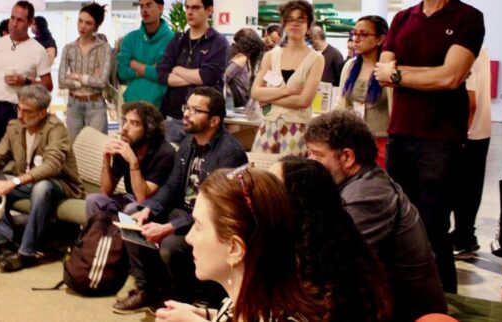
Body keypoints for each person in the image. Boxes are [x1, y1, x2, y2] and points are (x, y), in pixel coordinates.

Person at [373, 0, 485, 293]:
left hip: (441, 140)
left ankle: (444, 305)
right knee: (397, 222)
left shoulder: (468, 18)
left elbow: (450, 77)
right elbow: (382, 71)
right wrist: (414, 75)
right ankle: (399, 299)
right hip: (400, 134)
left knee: (434, 228)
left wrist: (400, 75)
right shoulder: (403, 18)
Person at [113, 86, 247, 313]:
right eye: (187, 107)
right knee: (133, 215)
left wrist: (168, 226)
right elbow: (172, 187)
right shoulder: (188, 144)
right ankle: (148, 289)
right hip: (184, 214)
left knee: (170, 245)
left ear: (214, 120)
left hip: (211, 222)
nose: (186, 114)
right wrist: (148, 208)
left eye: (195, 110)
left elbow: (217, 208)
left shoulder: (229, 153)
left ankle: (183, 300)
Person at [304, 110, 447, 321]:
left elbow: (328, 264)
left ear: (347, 157)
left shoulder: (368, 196)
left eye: (317, 155)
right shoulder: (363, 183)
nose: (309, 161)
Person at [155, 166, 323, 322]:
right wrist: (203, 315)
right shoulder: (252, 297)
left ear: (234, 249)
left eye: (198, 227)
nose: (188, 238)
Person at [0, 85, 84, 272]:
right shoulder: (15, 127)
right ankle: (5, 244)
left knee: (42, 187)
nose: (20, 115)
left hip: (60, 184)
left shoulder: (56, 129)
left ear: (43, 113)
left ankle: (26, 253)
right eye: (19, 109)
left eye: (27, 111)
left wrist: (13, 182)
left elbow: (51, 166)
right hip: (28, 183)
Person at [274, 156, 393, 322]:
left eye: (271, 186)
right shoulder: (334, 244)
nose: (260, 191)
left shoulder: (320, 275)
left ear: (295, 204)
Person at [0, 0, 52, 172]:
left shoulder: (37, 50)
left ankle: (8, 195)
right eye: (12, 18)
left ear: (30, 23)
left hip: (20, 111)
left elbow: (48, 85)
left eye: (20, 20)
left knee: (14, 162)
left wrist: (25, 81)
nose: (14, 24)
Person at [250, 0, 325, 156]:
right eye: (290, 19)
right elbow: (255, 93)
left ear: (309, 25)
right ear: (283, 23)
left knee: (290, 177)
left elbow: (303, 101)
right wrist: (288, 91)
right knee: (261, 175)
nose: (295, 24)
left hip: (297, 129)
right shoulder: (271, 55)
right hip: (268, 126)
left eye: (301, 20)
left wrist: (269, 97)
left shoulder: (316, 59)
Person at [157, 0, 229, 144]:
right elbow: (162, 74)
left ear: (209, 10)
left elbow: (208, 76)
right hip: (174, 117)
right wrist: (196, 78)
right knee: (172, 164)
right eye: (187, 7)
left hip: (204, 119)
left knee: (201, 164)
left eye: (195, 7)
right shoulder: (178, 41)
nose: (189, 12)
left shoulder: (218, 42)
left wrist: (178, 70)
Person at [84, 101, 175, 218]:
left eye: (134, 123)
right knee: (93, 200)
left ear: (149, 130)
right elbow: (106, 191)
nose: (125, 128)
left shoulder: (164, 153)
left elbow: (142, 198)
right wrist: (106, 160)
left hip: (154, 206)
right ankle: (96, 234)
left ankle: (115, 235)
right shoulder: (127, 145)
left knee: (132, 208)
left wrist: (133, 162)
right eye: (125, 121)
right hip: (129, 198)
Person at [452, 46, 492, 258]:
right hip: (476, 132)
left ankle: (464, 238)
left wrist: (460, 136)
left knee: (463, 190)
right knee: (469, 189)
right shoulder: (480, 51)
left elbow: (470, 102)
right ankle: (464, 236)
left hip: (469, 134)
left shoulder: (469, 52)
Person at [336, 15, 390, 167]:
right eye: (354, 33)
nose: (356, 39)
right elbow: (341, 103)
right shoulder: (350, 66)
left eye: (363, 34)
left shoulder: (387, 69)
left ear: (380, 39)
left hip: (381, 143)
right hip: (353, 141)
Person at [58, 2, 112, 142]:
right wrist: (83, 81)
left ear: (96, 26)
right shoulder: (68, 48)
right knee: (73, 152)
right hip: (73, 105)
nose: (82, 26)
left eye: (88, 23)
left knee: (97, 150)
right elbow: (61, 81)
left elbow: (101, 82)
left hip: (96, 105)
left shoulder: (104, 48)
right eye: (80, 21)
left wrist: (76, 76)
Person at [117, 0, 175, 108]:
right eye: (141, 6)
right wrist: (150, 69)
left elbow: (163, 75)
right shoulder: (130, 38)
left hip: (160, 106)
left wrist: (134, 64)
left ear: (160, 8)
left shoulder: (172, 39)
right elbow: (122, 73)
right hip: (131, 103)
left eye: (149, 5)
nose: (144, 10)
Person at [225, 28, 265, 109]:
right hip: (232, 100)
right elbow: (224, 77)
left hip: (236, 100)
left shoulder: (243, 59)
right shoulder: (242, 59)